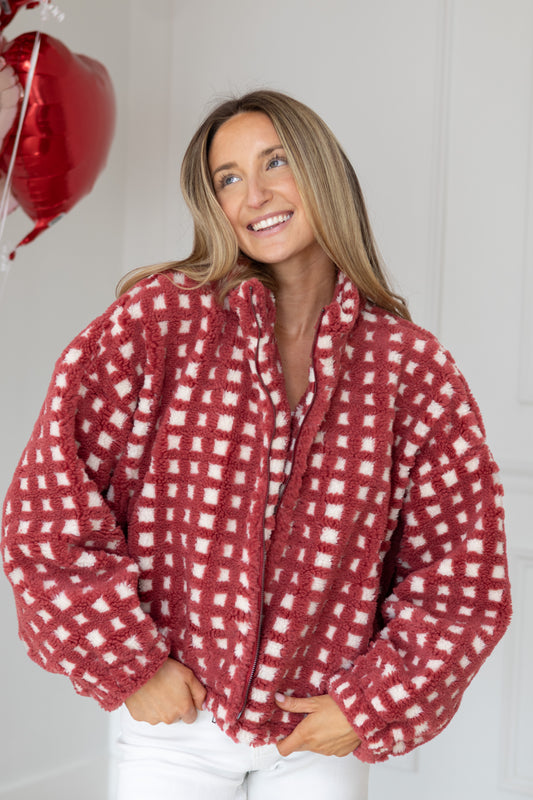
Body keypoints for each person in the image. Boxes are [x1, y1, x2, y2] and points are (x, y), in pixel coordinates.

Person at [1, 90, 511, 800]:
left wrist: (366, 706)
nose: (255, 193)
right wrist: (132, 667)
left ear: (320, 172)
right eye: (227, 177)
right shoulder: (157, 325)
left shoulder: (410, 371)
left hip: (315, 735)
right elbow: (47, 511)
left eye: (275, 162)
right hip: (171, 730)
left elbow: (461, 577)